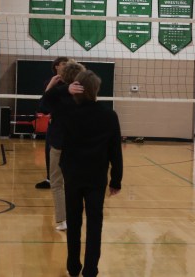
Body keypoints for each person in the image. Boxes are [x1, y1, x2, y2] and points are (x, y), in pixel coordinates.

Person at [60, 70, 123, 277]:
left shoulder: (68, 112)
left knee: (74, 221)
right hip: (96, 177)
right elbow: (115, 150)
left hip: (72, 175)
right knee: (95, 223)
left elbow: (45, 104)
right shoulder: (109, 115)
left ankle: (72, 267)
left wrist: (63, 89)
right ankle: (90, 270)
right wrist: (116, 180)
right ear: (96, 90)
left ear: (77, 89)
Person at [40, 60, 86, 231]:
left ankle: (62, 220)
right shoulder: (85, 93)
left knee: (57, 183)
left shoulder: (56, 94)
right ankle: (74, 218)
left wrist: (51, 86)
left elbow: (43, 108)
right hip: (78, 146)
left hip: (59, 144)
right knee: (74, 183)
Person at [35, 56, 68, 189]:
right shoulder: (51, 82)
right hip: (56, 122)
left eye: (68, 64)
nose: (66, 66)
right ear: (57, 67)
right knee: (50, 151)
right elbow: (45, 105)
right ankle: (50, 179)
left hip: (70, 123)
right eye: (63, 63)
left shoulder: (73, 82)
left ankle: (68, 179)